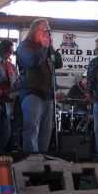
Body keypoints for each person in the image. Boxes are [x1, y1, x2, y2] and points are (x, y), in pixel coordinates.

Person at [16, 19, 63, 153]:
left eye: (49, 29)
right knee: (31, 129)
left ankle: (42, 161)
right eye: (45, 29)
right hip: (32, 93)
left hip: (48, 95)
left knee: (45, 131)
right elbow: (33, 61)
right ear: (35, 31)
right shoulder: (24, 46)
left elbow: (58, 63)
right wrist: (44, 47)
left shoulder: (46, 47)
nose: (48, 32)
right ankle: (31, 162)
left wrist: (50, 47)